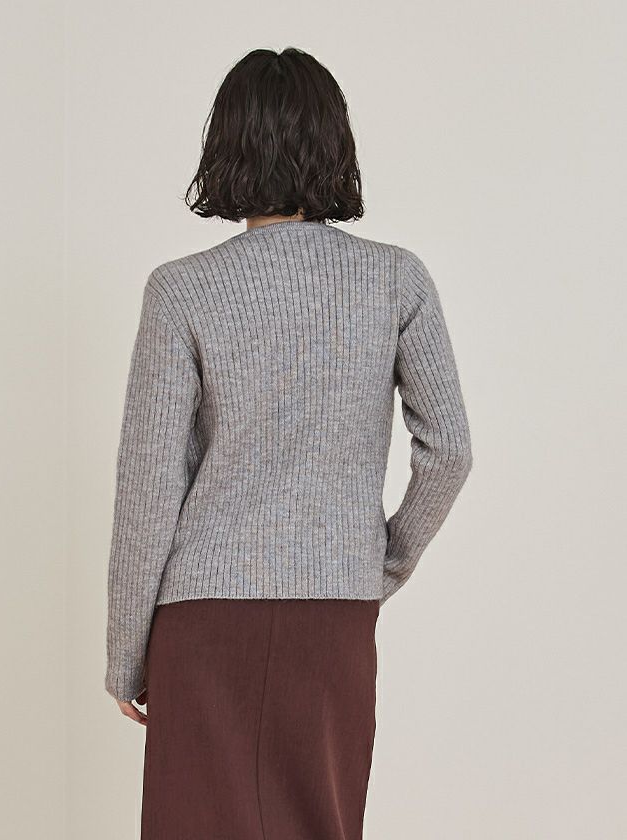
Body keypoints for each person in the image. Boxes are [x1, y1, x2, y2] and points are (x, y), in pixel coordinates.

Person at [105, 46, 472, 840]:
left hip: (203, 620)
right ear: (335, 145)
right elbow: (450, 450)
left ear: (225, 147)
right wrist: (379, 563)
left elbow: (149, 486)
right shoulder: (396, 279)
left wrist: (126, 651)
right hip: (332, 613)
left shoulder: (181, 289)